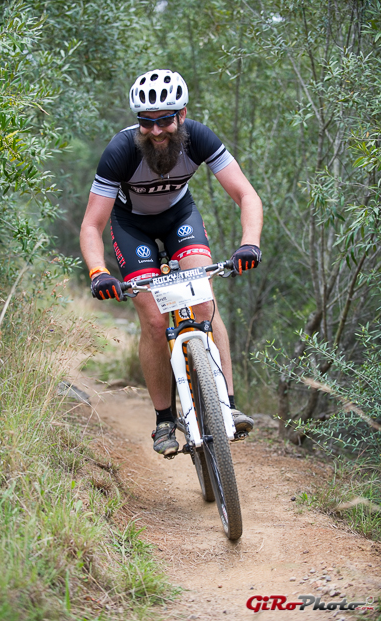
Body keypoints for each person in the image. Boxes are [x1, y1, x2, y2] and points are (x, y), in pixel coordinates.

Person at [80, 69, 263, 458]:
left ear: (182, 114)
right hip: (133, 228)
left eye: (165, 119)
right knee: (154, 319)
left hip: (180, 218)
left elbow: (246, 194)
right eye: (146, 122)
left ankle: (226, 405)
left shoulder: (198, 137)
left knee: (204, 305)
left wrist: (250, 244)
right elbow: (92, 225)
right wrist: (99, 272)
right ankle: (164, 419)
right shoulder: (121, 150)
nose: (157, 130)